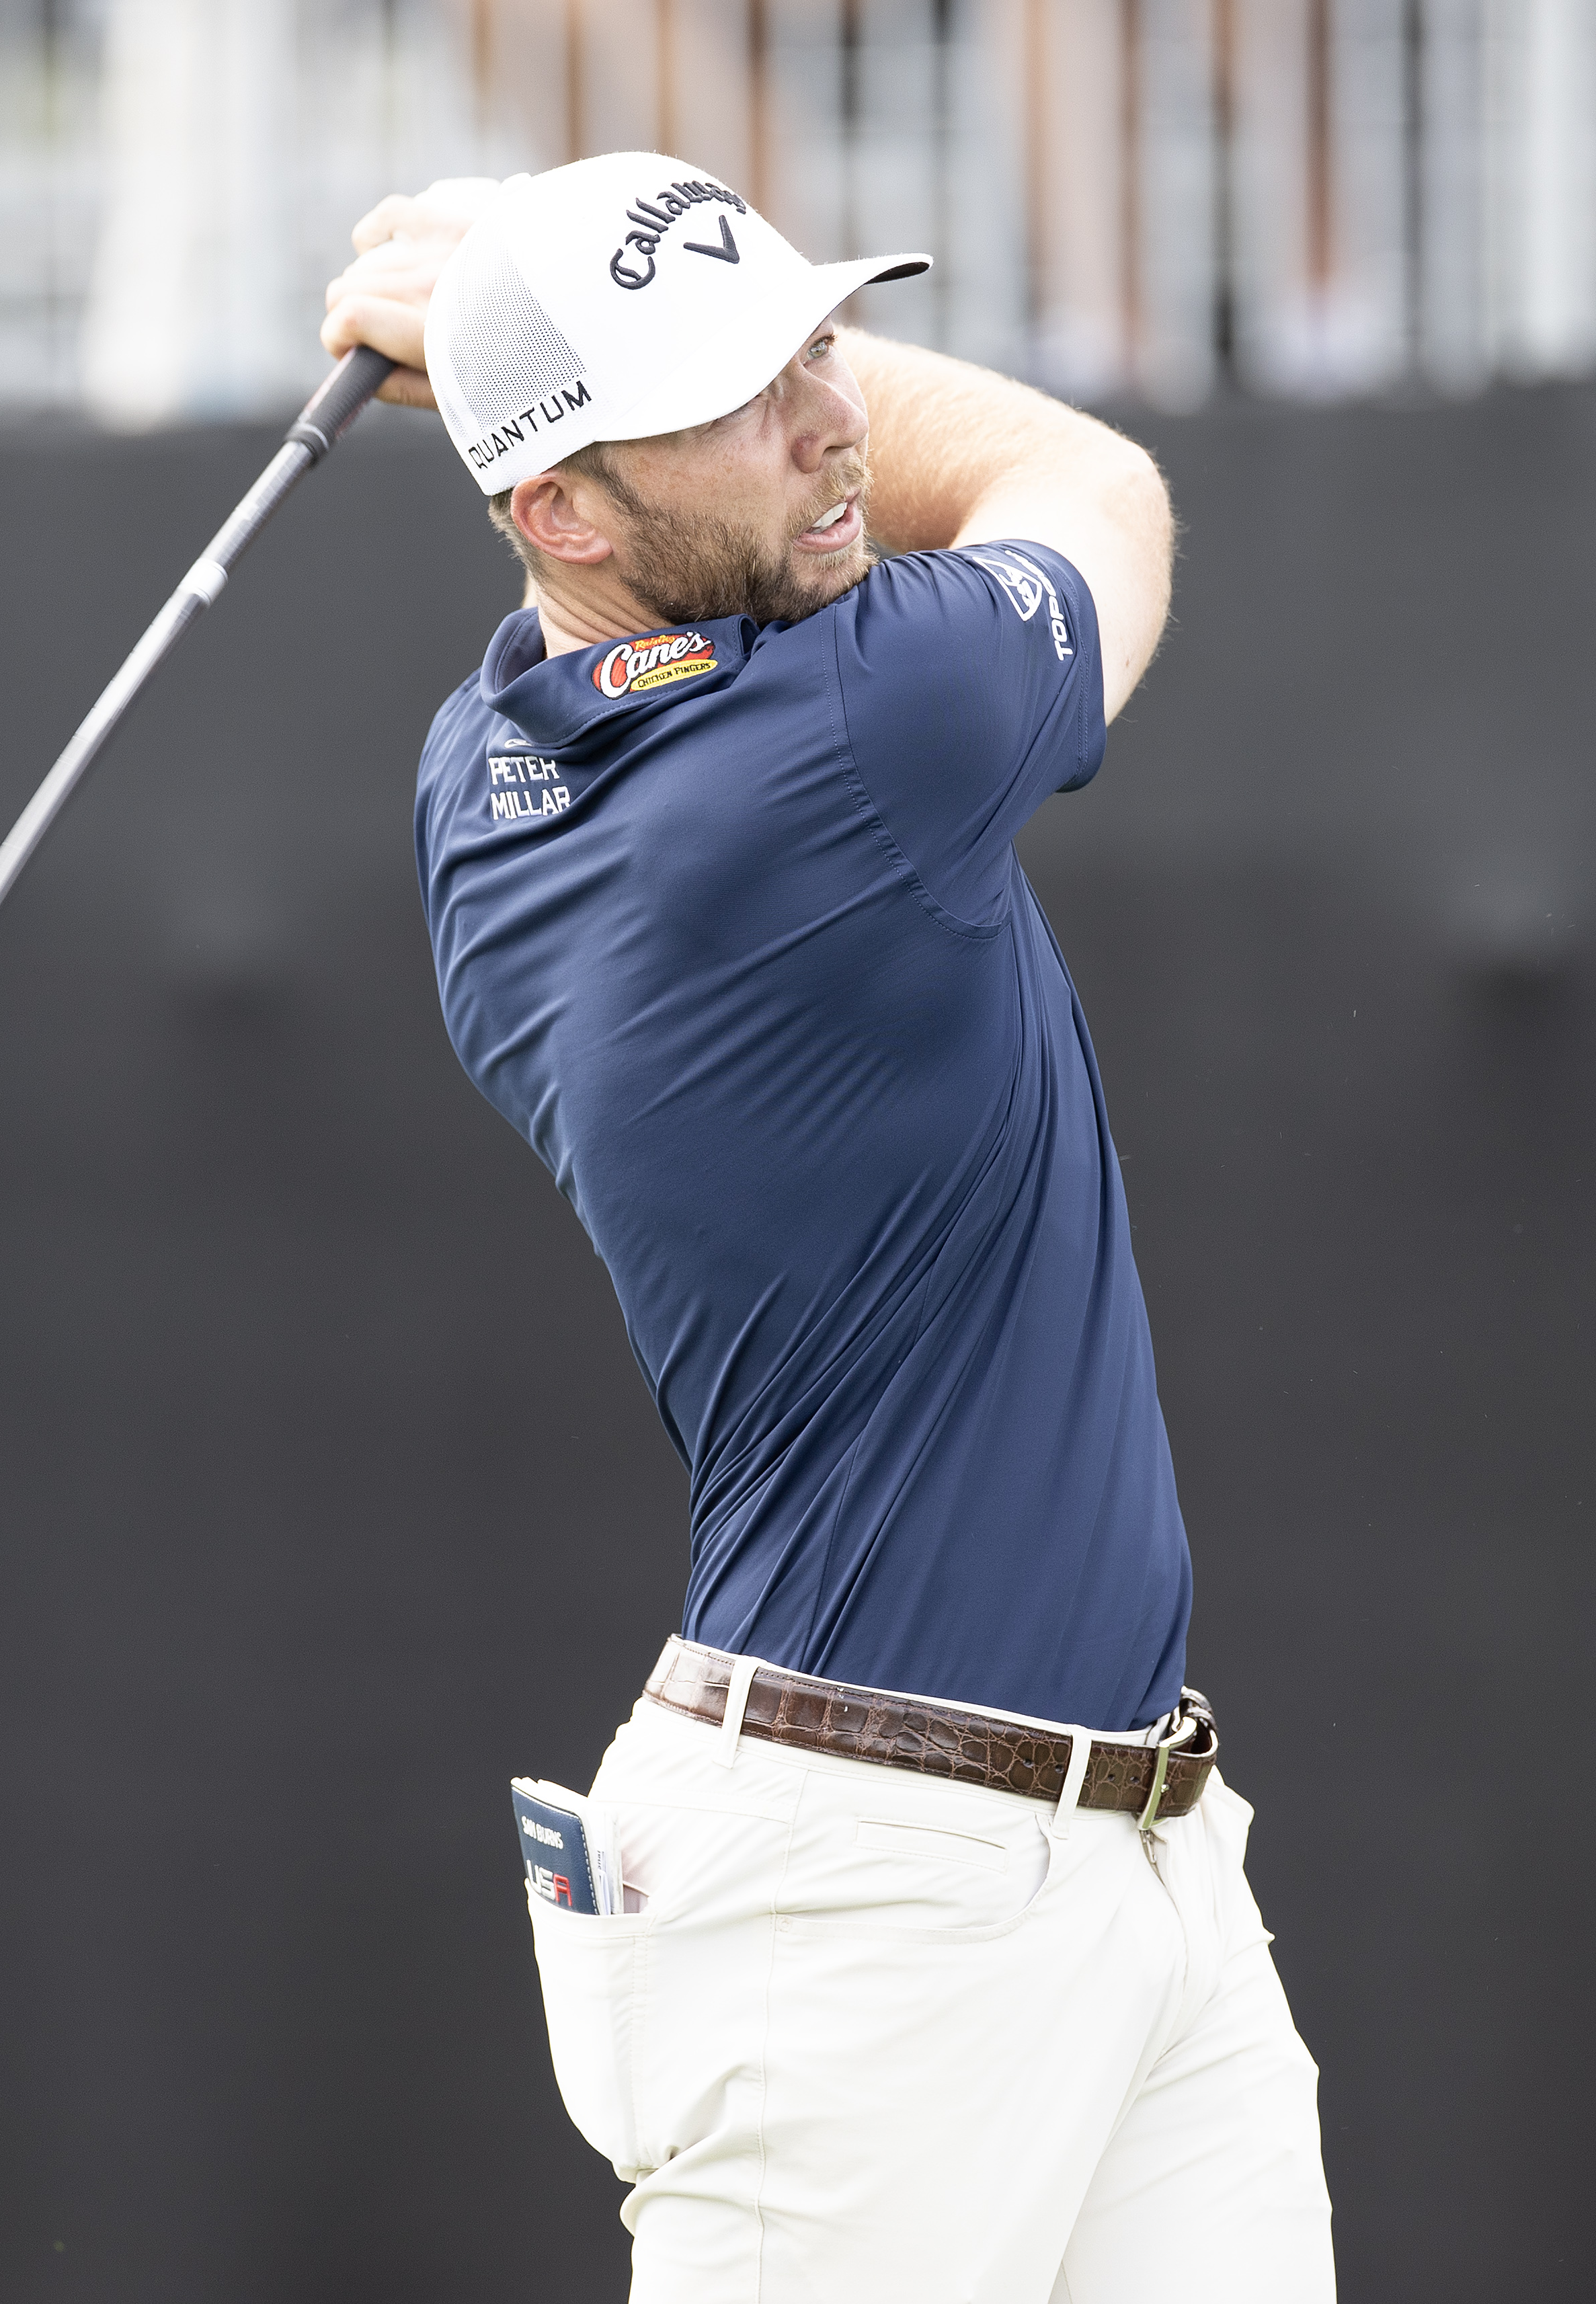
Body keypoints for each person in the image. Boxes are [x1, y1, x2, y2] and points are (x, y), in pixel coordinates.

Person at [321, 153, 1333, 2303]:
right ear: (564, 509)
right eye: (748, 391)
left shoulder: (479, 774)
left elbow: (637, 574)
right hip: (864, 1898)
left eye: (814, 342)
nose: (833, 416)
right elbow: (1086, 475)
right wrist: (509, 284)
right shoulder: (862, 732)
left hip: (1126, 1852)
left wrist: (544, 325)